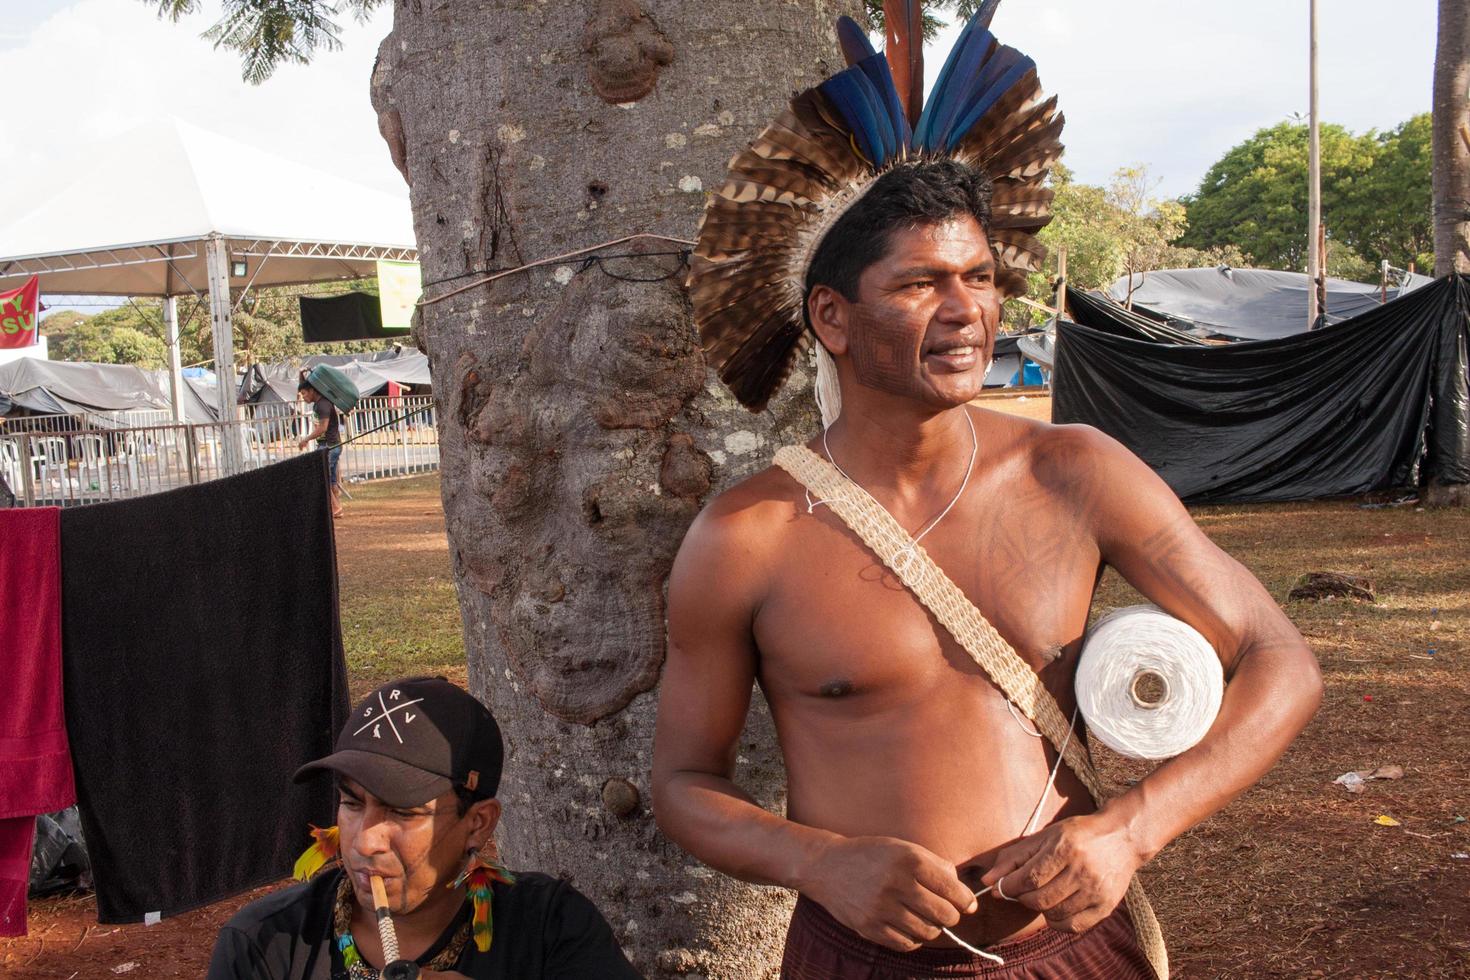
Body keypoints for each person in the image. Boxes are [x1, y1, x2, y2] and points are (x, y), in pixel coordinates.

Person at [654, 7, 1321, 979]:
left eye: (979, 275)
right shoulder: (748, 534)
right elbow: (682, 781)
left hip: (1076, 951)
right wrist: (821, 859)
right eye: (922, 283)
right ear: (833, 318)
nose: (968, 308)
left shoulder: (1075, 472)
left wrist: (1130, 831)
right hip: (860, 959)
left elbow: (1281, 662)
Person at [208, 676, 641, 979]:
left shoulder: (551, 929)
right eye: (351, 803)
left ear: (477, 824)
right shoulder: (265, 943)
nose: (365, 840)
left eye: (403, 812)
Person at [298, 377, 345, 519]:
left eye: (305, 394)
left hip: (329, 446)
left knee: (322, 477)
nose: (304, 398)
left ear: (312, 391)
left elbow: (322, 428)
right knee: (330, 479)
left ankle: (335, 508)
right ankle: (336, 508)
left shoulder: (322, 404)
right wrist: (302, 375)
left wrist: (305, 439)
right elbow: (307, 383)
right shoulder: (321, 402)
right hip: (331, 445)